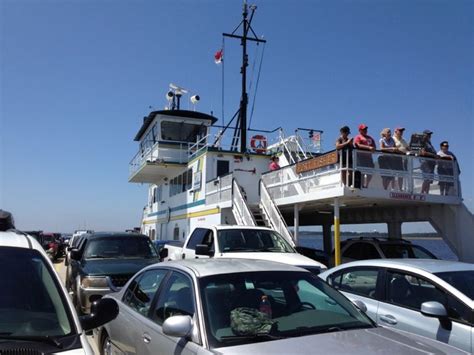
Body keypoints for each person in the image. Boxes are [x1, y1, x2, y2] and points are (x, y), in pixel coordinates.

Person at [353, 124, 376, 188]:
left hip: (369, 158)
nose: (365, 130)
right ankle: (362, 184)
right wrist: (368, 147)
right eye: (363, 129)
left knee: (370, 172)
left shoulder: (370, 138)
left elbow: (374, 146)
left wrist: (373, 148)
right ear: (360, 130)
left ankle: (366, 185)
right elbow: (357, 144)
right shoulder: (358, 137)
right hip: (360, 157)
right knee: (362, 172)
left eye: (366, 129)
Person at [419, 129, 437, 194]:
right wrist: (434, 155)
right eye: (428, 134)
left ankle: (427, 193)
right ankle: (422, 192)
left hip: (431, 163)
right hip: (425, 163)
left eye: (430, 134)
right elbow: (423, 152)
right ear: (424, 135)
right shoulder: (422, 142)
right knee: (427, 178)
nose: (430, 136)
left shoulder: (429, 143)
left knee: (429, 180)